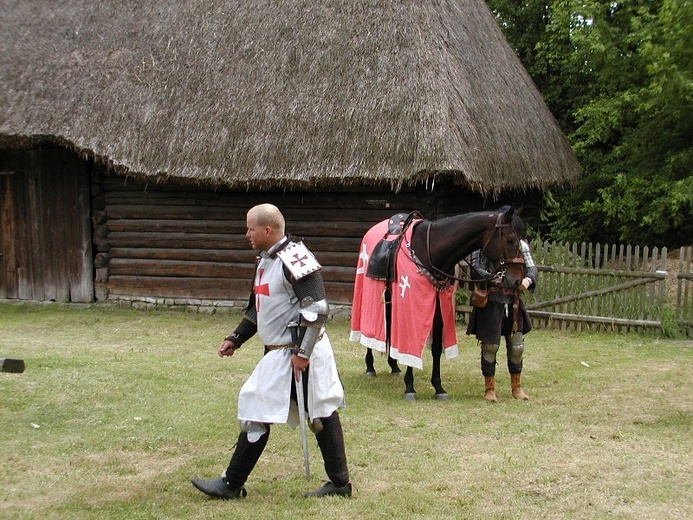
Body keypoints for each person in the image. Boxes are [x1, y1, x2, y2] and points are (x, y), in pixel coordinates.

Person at [191, 203, 351, 499]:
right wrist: (237, 337)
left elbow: (316, 308)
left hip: (298, 352)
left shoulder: (295, 258)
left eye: (250, 228)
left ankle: (231, 484)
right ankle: (339, 483)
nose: (246, 234)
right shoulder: (266, 261)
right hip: (282, 353)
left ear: (267, 230)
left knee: (300, 412)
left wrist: (303, 352)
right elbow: (259, 306)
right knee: (315, 414)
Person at [466, 239, 538, 402]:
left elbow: (532, 268)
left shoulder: (521, 245)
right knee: (490, 346)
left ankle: (517, 387)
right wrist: (491, 278)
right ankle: (489, 388)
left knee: (517, 346)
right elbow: (475, 268)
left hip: (514, 301)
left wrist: (527, 280)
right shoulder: (483, 244)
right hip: (492, 301)